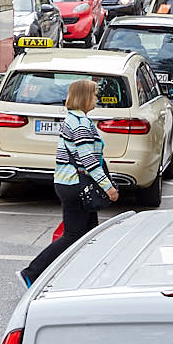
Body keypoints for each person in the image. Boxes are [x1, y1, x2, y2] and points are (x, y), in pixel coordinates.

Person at [19, 78, 118, 286]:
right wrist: (108, 187)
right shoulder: (80, 123)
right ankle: (32, 272)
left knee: (90, 234)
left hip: (69, 183)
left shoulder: (73, 119)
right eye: (93, 95)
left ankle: (83, 276)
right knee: (73, 235)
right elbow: (88, 160)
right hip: (75, 185)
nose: (96, 99)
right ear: (84, 98)